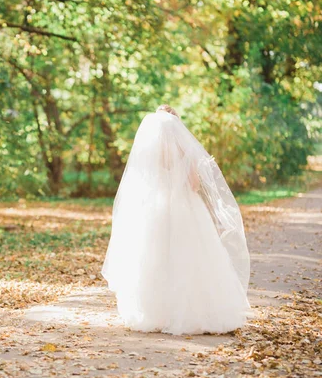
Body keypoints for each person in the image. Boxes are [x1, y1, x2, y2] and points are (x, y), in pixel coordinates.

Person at [102, 105, 250, 335]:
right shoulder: (184, 150)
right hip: (184, 207)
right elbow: (193, 184)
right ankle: (192, 313)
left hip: (155, 208)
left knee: (153, 257)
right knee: (191, 257)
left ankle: (156, 314)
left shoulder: (147, 150)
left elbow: (141, 182)